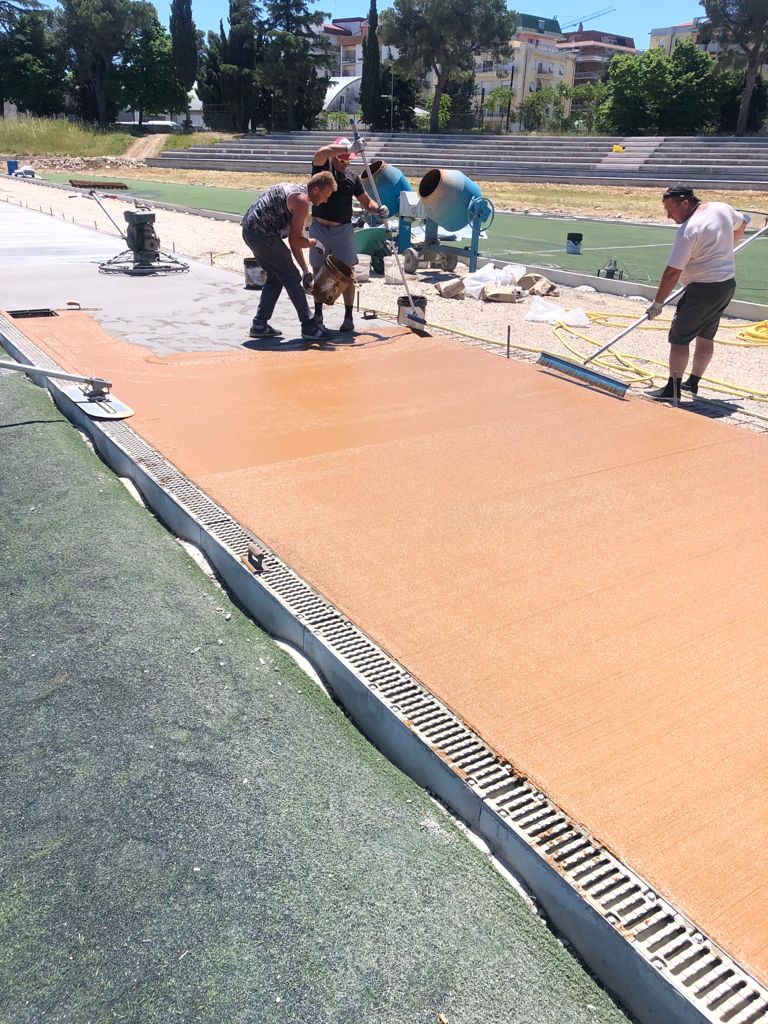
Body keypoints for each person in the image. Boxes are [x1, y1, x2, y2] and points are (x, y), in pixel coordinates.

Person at [646, 183, 746, 401]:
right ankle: (692, 383)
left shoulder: (689, 230)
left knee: (679, 338)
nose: (668, 216)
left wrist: (657, 304)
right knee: (705, 336)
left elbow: (672, 272)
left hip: (702, 289)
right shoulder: (721, 208)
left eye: (671, 210)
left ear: (685, 203)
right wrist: (724, 249)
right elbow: (743, 223)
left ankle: (672, 389)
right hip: (725, 285)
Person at [241, 171, 337, 342]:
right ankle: (309, 327)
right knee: (291, 278)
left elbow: (294, 243)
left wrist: (305, 270)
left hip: (250, 232)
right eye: (326, 196)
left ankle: (259, 325)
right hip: (263, 235)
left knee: (276, 278)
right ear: (316, 189)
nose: (326, 201)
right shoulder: (302, 202)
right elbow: (295, 240)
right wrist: (315, 243)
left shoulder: (296, 192)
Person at [309, 136, 387, 333]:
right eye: (342, 160)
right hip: (319, 228)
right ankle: (318, 314)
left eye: (348, 161)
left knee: (348, 274)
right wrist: (348, 148)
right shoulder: (322, 169)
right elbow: (321, 152)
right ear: (335, 156)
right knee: (318, 270)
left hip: (342, 230)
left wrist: (378, 209)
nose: (344, 164)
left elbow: (367, 202)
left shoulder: (352, 179)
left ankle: (348, 317)